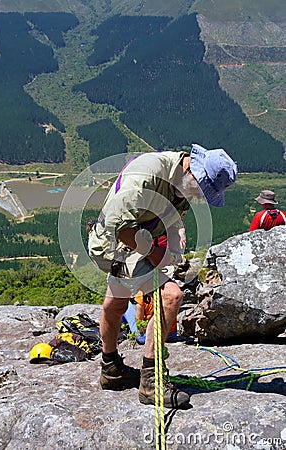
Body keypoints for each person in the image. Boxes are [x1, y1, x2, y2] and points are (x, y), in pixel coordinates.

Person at [88, 144, 237, 409]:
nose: (201, 198)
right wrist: (156, 255)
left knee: (117, 302)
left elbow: (170, 208)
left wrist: (176, 228)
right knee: (172, 295)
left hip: (133, 241)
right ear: (193, 170)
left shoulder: (181, 178)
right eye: (203, 191)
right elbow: (119, 227)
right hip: (113, 243)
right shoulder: (147, 174)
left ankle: (110, 369)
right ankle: (151, 382)